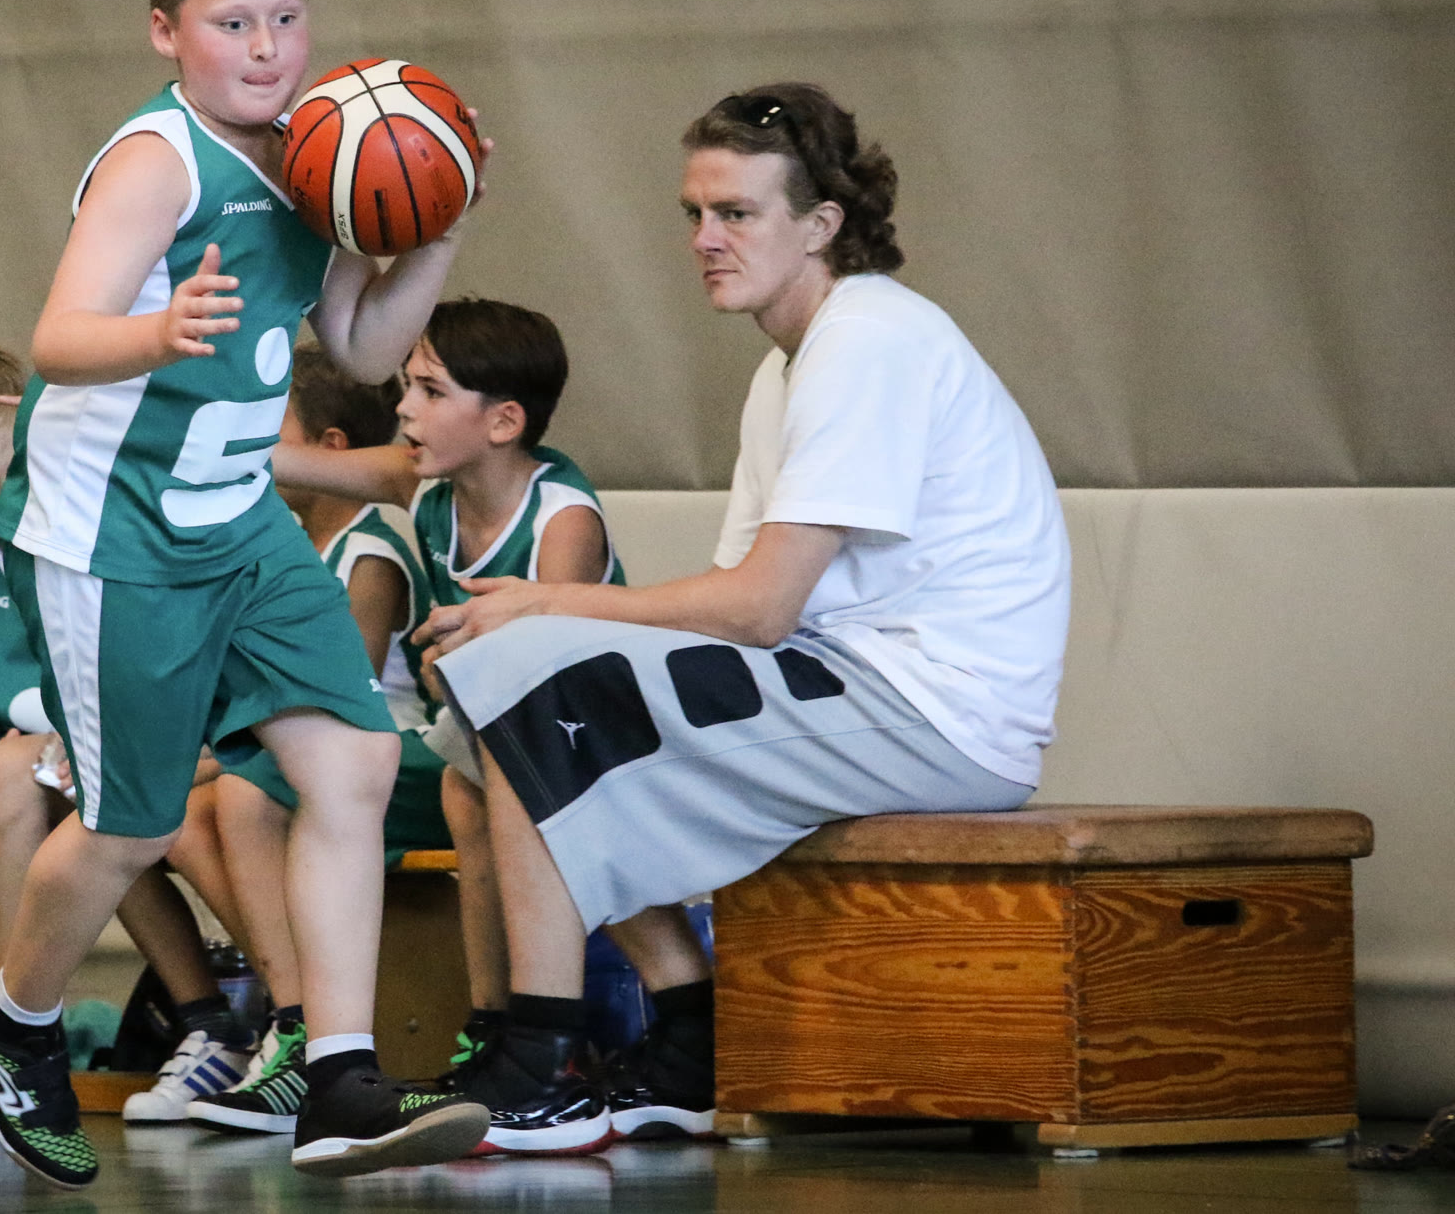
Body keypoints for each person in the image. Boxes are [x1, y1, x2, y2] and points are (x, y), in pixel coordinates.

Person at [0, 0, 491, 1187]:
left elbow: (359, 346)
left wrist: (439, 229)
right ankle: (8, 1019)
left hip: (236, 524)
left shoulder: (317, 154)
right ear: (165, 33)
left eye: (284, 17)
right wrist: (159, 329)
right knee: (129, 826)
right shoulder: (158, 163)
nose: (265, 46)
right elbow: (59, 336)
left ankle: (339, 1081)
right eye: (232, 23)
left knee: (352, 758)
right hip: (112, 538)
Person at [418, 83, 1071, 1153]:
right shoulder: (786, 368)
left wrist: (553, 603)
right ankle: (686, 1031)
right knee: (483, 738)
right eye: (694, 214)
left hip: (938, 713)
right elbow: (732, 606)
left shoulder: (869, 341)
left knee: (533, 680)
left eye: (736, 213)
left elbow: (759, 608)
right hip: (846, 678)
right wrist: (549, 631)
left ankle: (541, 1068)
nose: (705, 240)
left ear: (821, 224)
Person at [254, 302, 703, 1147]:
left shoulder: (561, 516)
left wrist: (463, 655)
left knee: (519, 795)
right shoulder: (426, 485)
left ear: (503, 421)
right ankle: (496, 1028)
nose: (403, 407)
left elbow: (551, 663)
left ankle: (614, 1029)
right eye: (405, 386)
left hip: (613, 742)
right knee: (468, 791)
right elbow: (290, 458)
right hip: (511, 737)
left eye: (429, 390)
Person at [188, 343, 453, 1134]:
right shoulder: (295, 547)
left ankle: (306, 1027)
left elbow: (333, 709)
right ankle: (260, 1020)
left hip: (398, 754)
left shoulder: (371, 553)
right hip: (321, 763)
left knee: (244, 792)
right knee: (170, 818)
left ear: (329, 449)